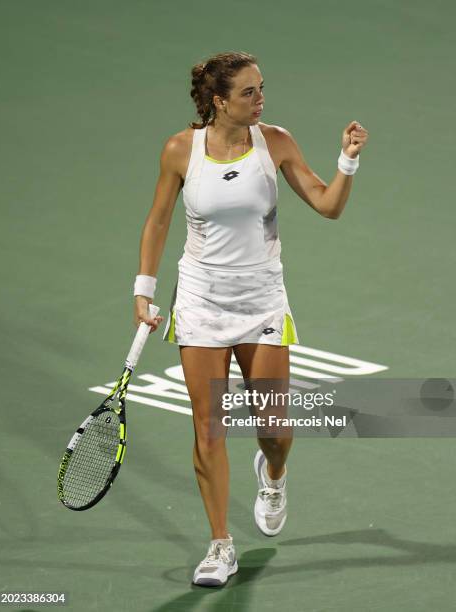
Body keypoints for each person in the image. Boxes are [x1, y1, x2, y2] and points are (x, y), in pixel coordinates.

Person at [132, 51, 369, 587]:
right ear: (218, 101)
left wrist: (347, 160)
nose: (261, 99)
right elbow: (159, 219)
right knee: (208, 429)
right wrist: (144, 290)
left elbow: (328, 205)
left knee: (274, 430)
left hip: (261, 300)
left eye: (261, 89)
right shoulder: (180, 150)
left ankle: (274, 473)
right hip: (200, 300)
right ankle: (220, 545)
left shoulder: (275, 142)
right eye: (249, 93)